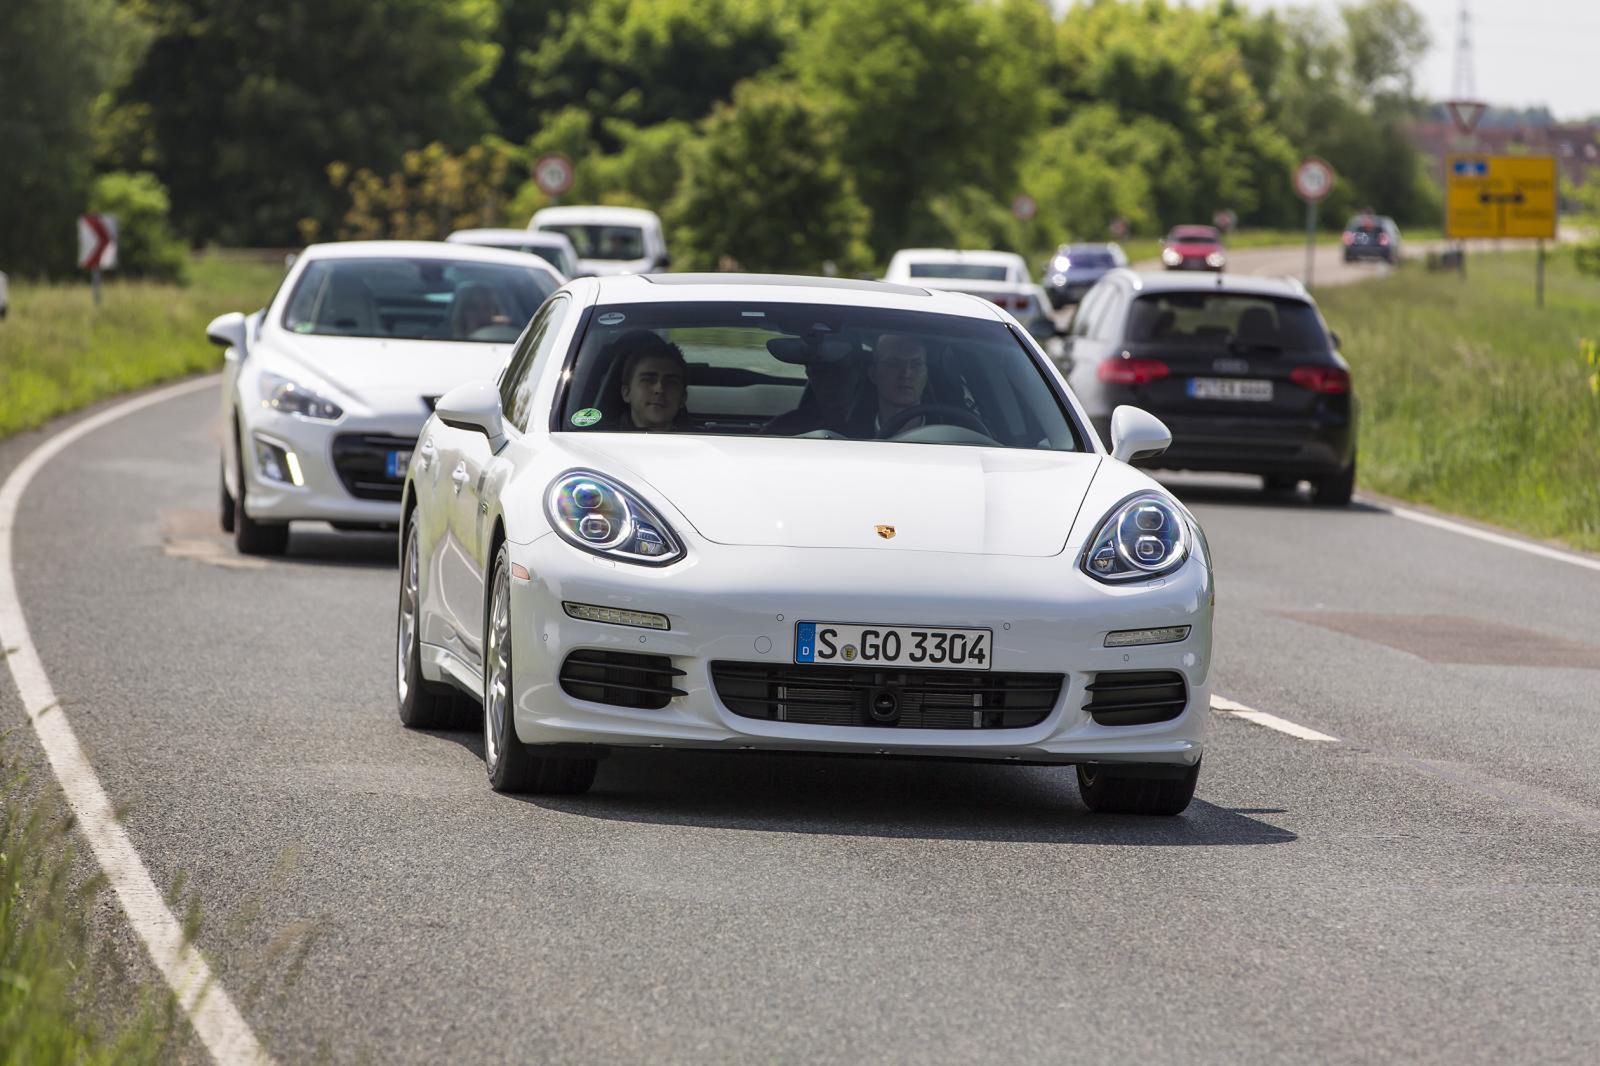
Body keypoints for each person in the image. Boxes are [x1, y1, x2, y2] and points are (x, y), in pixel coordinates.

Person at [845, 333, 929, 438]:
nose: (906, 374)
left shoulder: (949, 433)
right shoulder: (846, 438)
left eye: (916, 364)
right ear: (873, 374)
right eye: (893, 363)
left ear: (926, 375)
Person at [765, 349, 860, 436]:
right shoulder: (785, 426)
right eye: (818, 373)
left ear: (858, 373)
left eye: (838, 371)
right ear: (809, 375)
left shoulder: (868, 425)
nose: (828, 382)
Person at [614, 330, 689, 431]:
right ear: (626, 393)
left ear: (683, 398)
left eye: (671, 382)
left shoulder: (704, 439)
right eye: (648, 380)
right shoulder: (600, 436)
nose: (659, 389)